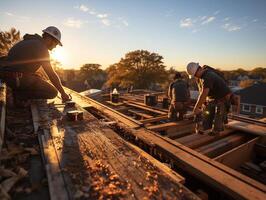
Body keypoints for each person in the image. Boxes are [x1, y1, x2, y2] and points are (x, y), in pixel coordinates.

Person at [0, 26, 71, 105]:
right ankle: (20, 96)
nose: (55, 46)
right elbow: (51, 74)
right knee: (52, 92)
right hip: (17, 80)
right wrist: (63, 93)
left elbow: (21, 64)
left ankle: (19, 92)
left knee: (38, 77)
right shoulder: (41, 48)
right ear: (49, 39)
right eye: (56, 43)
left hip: (9, 78)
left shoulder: (30, 42)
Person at [186, 62, 232, 135]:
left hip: (223, 98)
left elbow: (204, 93)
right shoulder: (202, 76)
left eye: (195, 75)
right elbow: (202, 92)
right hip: (214, 98)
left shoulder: (208, 76)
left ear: (198, 70)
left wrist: (196, 108)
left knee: (218, 117)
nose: (195, 76)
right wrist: (202, 105)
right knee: (207, 113)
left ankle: (216, 132)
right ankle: (205, 128)